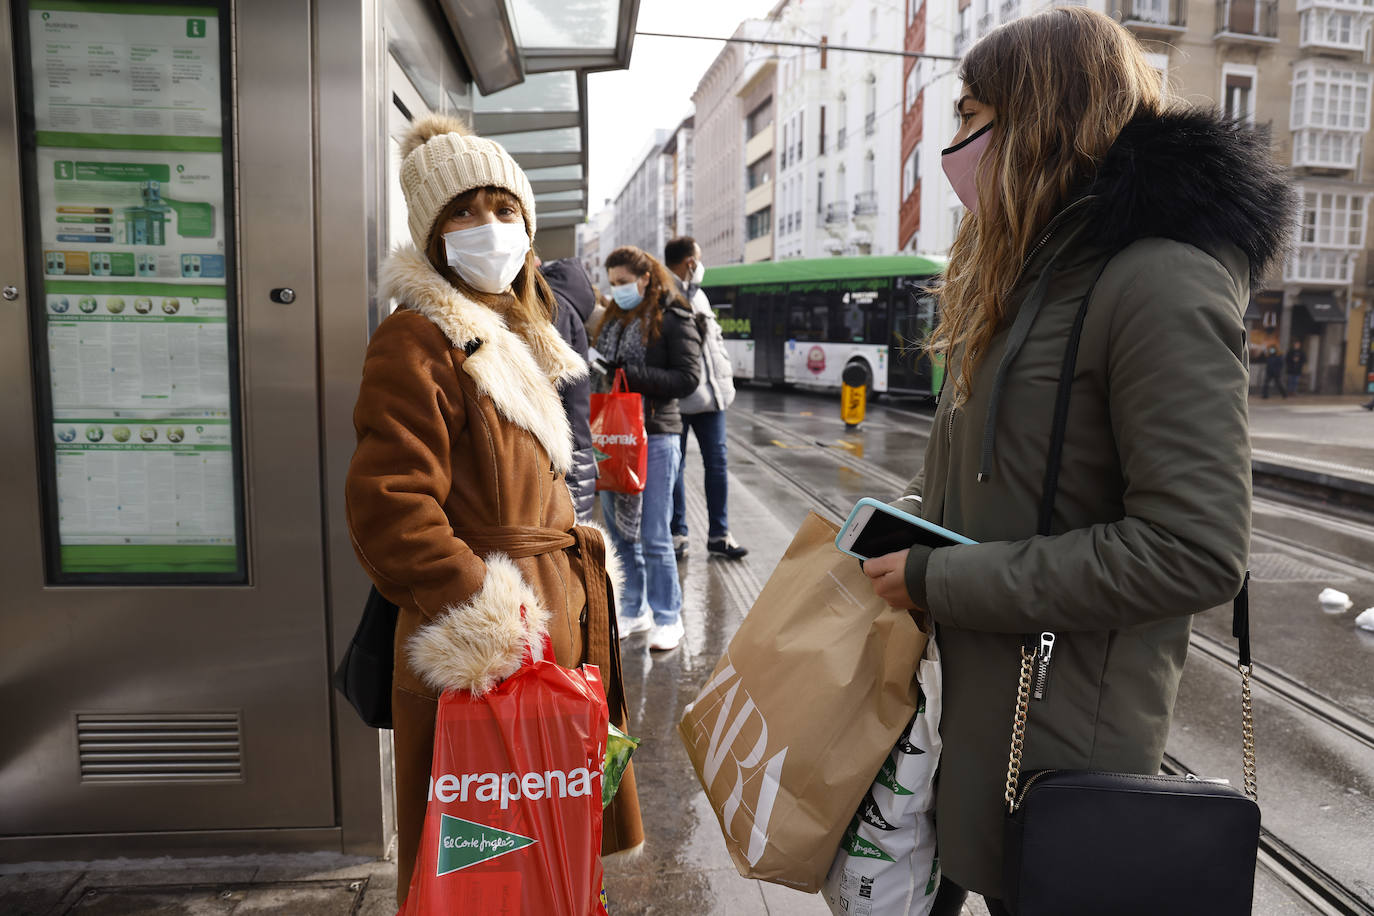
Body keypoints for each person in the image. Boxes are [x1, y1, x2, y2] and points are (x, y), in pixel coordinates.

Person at [857, 9, 1291, 913]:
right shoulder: (1025, 278)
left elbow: (1196, 549)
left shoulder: (1159, 279)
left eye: (970, 115)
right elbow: (984, 476)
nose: (953, 146)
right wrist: (898, 528)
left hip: (1062, 745)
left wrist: (942, 579)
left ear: (1039, 115)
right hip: (979, 713)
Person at [345, 115, 643, 904]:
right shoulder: (417, 339)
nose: (491, 228)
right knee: (482, 868)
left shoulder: (519, 332)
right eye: (465, 212)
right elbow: (390, 505)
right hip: (488, 645)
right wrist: (491, 614)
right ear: (433, 235)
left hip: (553, 628)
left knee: (550, 855)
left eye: (504, 209)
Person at [591, 245, 702, 651]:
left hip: (656, 432)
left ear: (645, 278)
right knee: (621, 533)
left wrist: (630, 374)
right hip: (615, 435)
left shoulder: (674, 316)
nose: (617, 290)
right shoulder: (614, 320)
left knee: (654, 532)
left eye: (623, 282)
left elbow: (688, 378)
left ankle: (669, 616)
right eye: (612, 283)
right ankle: (634, 608)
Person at [663, 236, 747, 561]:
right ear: (689, 262)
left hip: (712, 400)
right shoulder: (663, 295)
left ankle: (718, 536)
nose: (701, 264)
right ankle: (678, 534)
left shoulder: (700, 296)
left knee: (717, 465)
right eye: (698, 258)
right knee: (675, 466)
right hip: (679, 400)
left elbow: (714, 343)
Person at [541, 257, 598, 521]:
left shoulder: (555, 308)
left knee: (570, 543)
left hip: (565, 454)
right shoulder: (565, 307)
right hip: (575, 448)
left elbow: (546, 380)